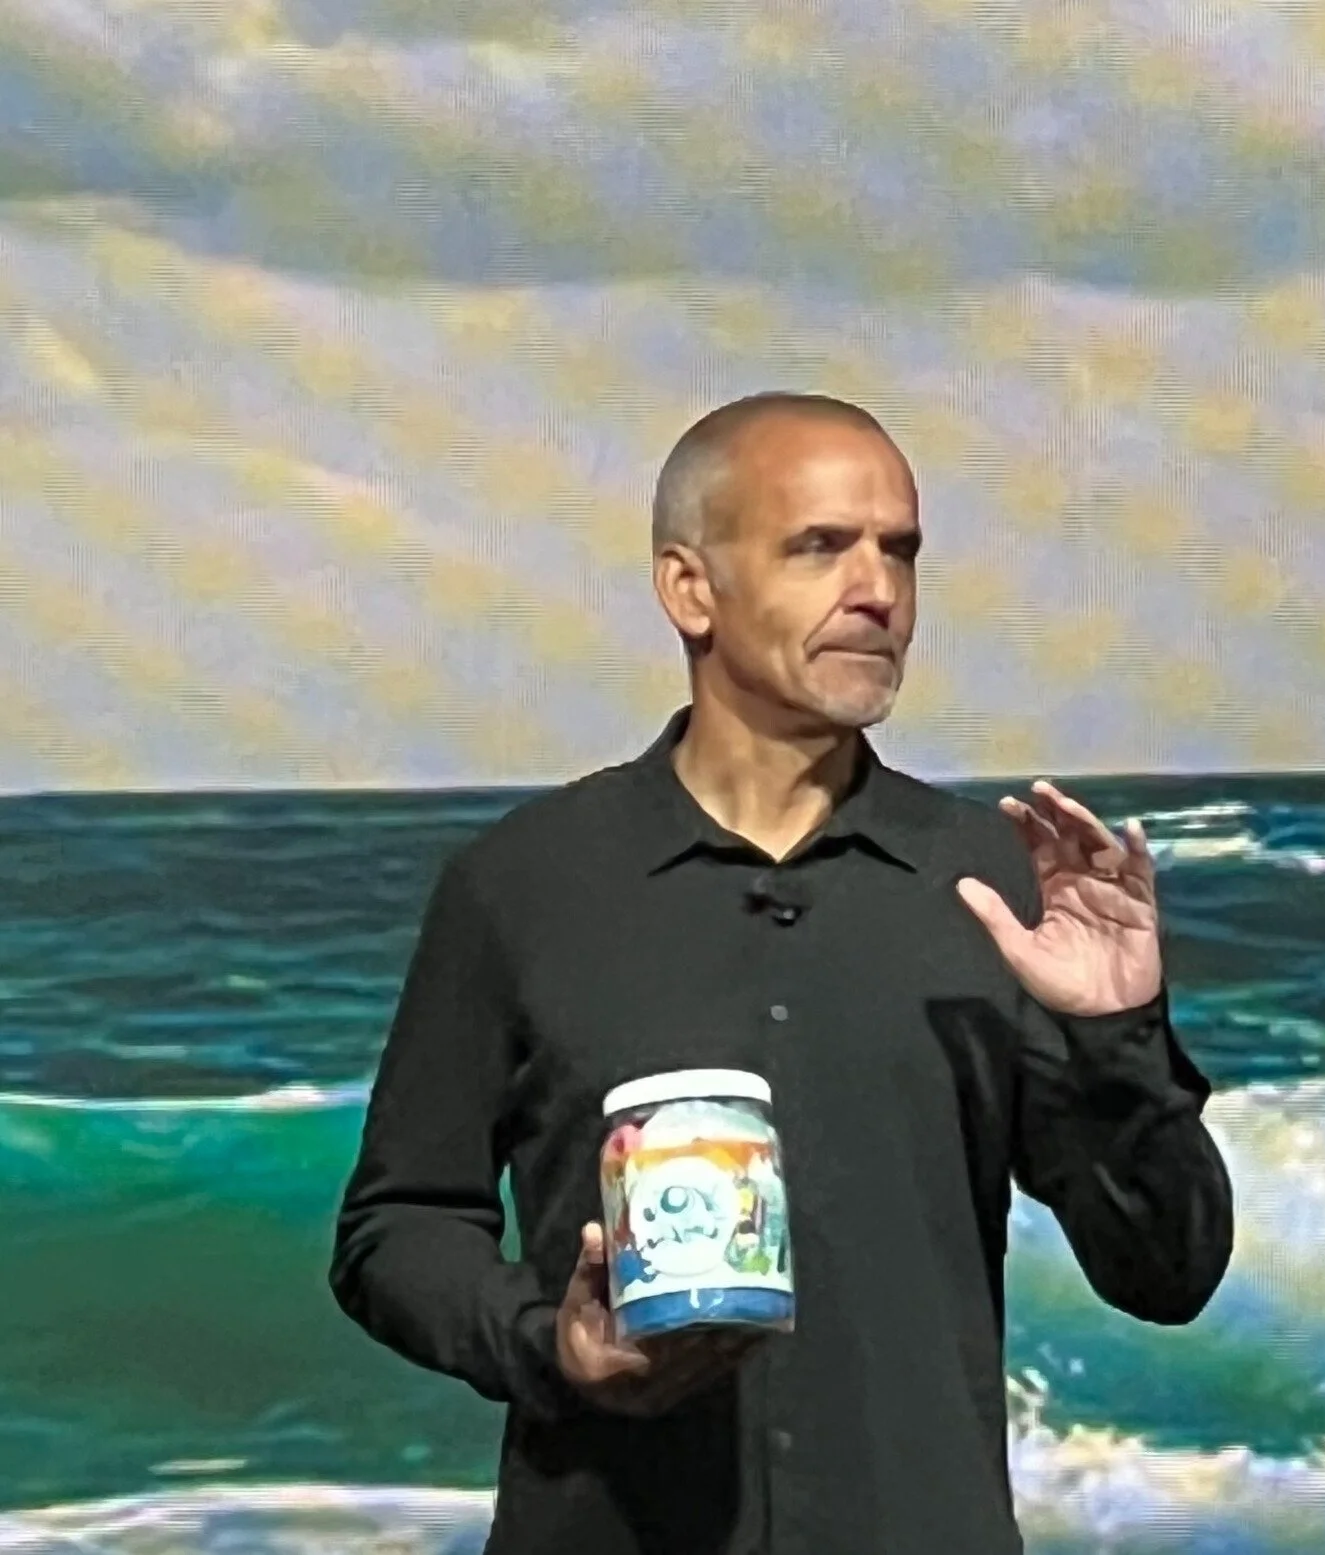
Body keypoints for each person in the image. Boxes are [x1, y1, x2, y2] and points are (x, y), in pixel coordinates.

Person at [328, 391, 1235, 1555]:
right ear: (688, 588)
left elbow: (1169, 1271)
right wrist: (548, 1339)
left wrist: (1121, 1037)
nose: (879, 591)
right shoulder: (524, 883)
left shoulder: (994, 883)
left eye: (900, 550)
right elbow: (397, 1228)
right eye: (820, 547)